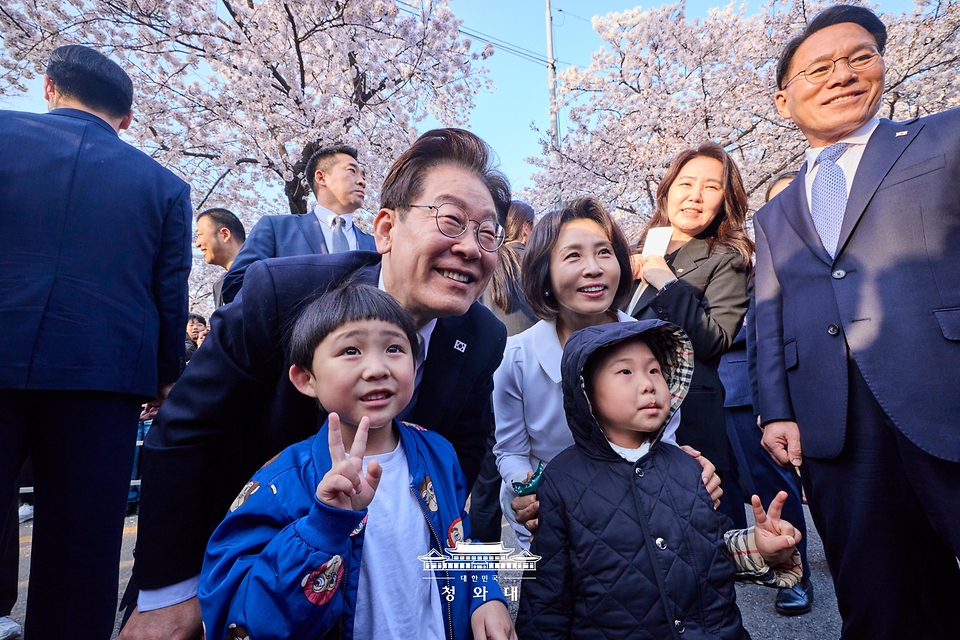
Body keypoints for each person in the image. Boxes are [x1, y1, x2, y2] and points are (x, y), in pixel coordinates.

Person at [120, 128, 510, 640]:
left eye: (487, 233)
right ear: (386, 228)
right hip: (251, 573)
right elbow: (187, 432)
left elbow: (462, 462)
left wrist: (479, 590)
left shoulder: (481, 336)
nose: (469, 248)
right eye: (452, 221)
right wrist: (172, 595)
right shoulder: (284, 293)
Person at [754, 5, 960, 637]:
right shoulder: (776, 210)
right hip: (832, 422)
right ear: (786, 99)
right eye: (819, 67)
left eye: (859, 57)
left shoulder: (944, 138)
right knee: (877, 596)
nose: (842, 74)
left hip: (943, 389)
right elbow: (770, 315)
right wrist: (776, 409)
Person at [0, 45, 191, 639]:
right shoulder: (164, 187)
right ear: (127, 119)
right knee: (81, 551)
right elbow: (169, 294)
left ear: (50, 88)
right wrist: (166, 374)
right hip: (102, 378)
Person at [199, 283, 515, 640]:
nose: (377, 368)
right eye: (351, 350)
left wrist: (485, 595)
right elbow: (243, 619)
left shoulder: (438, 453)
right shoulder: (281, 482)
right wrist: (322, 527)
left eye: (394, 348)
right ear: (306, 379)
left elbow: (460, 541)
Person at [515, 321, 802, 638]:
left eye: (654, 371)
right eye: (625, 372)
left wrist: (760, 547)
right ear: (587, 394)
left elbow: (711, 548)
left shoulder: (689, 465)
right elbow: (545, 597)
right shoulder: (562, 480)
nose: (648, 384)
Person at [492, 198, 720, 548]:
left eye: (604, 252)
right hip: (560, 526)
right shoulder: (516, 359)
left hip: (644, 522)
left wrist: (689, 470)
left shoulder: (655, 343)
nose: (594, 268)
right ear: (544, 274)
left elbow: (664, 440)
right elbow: (511, 452)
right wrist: (528, 491)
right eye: (573, 256)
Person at [628, 142, 753, 523]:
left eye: (711, 187)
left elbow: (715, 338)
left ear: (724, 200)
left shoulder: (725, 256)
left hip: (689, 411)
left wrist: (667, 284)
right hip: (629, 405)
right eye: (685, 184)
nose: (695, 197)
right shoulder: (640, 250)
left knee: (702, 522)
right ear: (667, 191)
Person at [720, 170, 813, 616]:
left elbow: (745, 330)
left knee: (770, 490)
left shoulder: (746, 263)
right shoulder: (747, 259)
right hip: (710, 393)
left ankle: (795, 576)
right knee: (719, 493)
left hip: (748, 392)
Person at [221, 144, 375, 303]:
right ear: (321, 177)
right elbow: (236, 285)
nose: (362, 181)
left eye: (363, 176)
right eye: (352, 171)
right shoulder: (276, 229)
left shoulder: (377, 246)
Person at [472, 200, 537, 542]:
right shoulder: (537, 261)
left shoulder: (486, 261)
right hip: (535, 378)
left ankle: (482, 567)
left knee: (487, 478)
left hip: (491, 378)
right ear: (526, 227)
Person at [194, 208, 246, 307]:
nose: (197, 244)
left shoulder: (263, 271)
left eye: (200, 234)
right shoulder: (218, 286)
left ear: (225, 235)